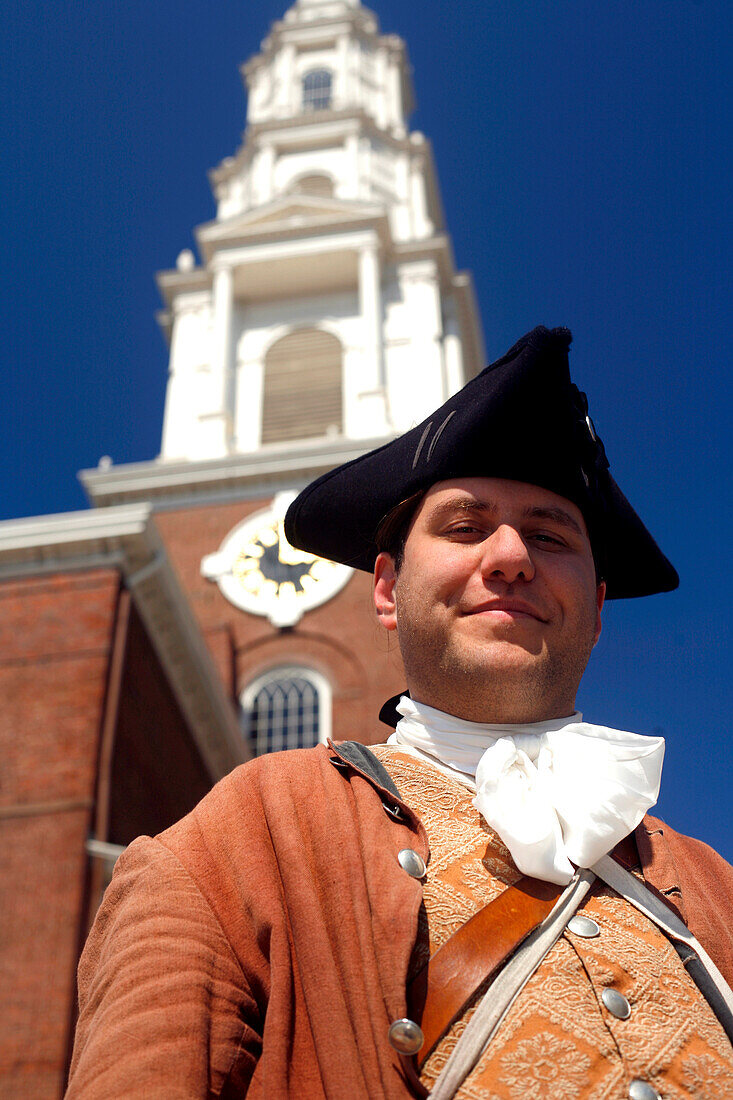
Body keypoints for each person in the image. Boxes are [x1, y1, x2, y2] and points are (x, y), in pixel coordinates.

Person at [67, 326, 733, 1099]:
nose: (510, 555)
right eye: (464, 526)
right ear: (385, 589)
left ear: (595, 607)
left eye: (550, 536)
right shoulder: (239, 838)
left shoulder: (709, 880)